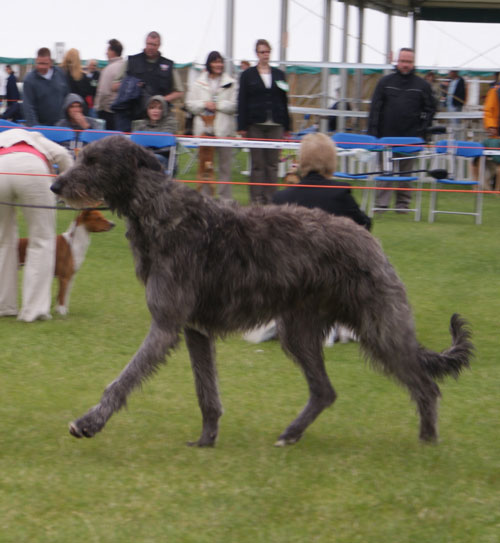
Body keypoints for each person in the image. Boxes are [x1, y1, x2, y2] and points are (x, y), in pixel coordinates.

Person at [0, 128, 73, 322]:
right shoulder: (34, 136)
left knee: (3, 241)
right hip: (31, 168)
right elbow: (63, 155)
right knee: (42, 239)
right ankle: (34, 310)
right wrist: (69, 189)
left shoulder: (3, 138)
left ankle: (4, 305)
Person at [367, 47, 435, 212]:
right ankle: (382, 204)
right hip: (385, 137)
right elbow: (375, 108)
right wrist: (373, 134)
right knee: (385, 172)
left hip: (410, 138)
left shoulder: (422, 85)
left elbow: (430, 109)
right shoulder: (384, 82)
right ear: (397, 61)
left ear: (413, 63)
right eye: (403, 61)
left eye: (409, 62)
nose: (405, 65)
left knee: (406, 174)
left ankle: (403, 205)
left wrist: (422, 131)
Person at [272, 132, 371, 230]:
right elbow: (364, 226)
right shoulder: (340, 194)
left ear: (301, 160)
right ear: (331, 160)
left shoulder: (280, 198)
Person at [237, 39, 291, 204]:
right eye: (262, 52)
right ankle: (256, 200)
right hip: (255, 125)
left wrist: (287, 126)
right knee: (257, 165)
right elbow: (242, 100)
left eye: (267, 52)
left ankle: (271, 200)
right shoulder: (247, 75)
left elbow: (284, 100)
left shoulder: (279, 74)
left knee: (273, 165)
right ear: (257, 54)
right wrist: (242, 126)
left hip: (276, 125)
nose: (265, 55)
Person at [186, 50, 236, 201]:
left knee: (224, 167)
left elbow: (234, 106)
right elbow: (190, 104)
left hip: (224, 130)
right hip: (204, 132)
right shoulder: (198, 83)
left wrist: (217, 105)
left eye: (220, 62)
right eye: (215, 62)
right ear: (209, 64)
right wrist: (204, 104)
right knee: (205, 166)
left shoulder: (231, 82)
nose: (218, 65)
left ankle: (225, 200)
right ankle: (205, 199)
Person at [119, 31, 184, 132]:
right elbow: (114, 85)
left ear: (159, 45)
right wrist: (130, 86)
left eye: (154, 45)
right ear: (145, 43)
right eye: (149, 44)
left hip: (159, 119)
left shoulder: (168, 65)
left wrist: (160, 101)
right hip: (134, 114)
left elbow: (179, 92)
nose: (151, 47)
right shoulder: (131, 61)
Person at [22, 47, 69, 126]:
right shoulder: (29, 80)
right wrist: (35, 128)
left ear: (50, 62)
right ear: (36, 61)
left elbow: (67, 96)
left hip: (61, 125)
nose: (41, 67)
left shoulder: (60, 73)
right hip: (41, 127)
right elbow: (28, 106)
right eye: (39, 63)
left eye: (45, 64)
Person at [133, 94, 175, 168]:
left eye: (159, 108)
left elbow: (165, 145)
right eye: (152, 108)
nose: (156, 111)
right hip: (145, 156)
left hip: (163, 157)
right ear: (147, 110)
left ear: (164, 110)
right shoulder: (142, 124)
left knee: (152, 158)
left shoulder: (170, 123)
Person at [95, 39, 125, 130]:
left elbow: (103, 92)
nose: (106, 53)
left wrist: (98, 108)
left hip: (108, 112)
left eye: (108, 50)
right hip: (124, 112)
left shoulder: (108, 69)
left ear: (112, 51)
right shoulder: (127, 67)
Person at [61, 48, 94, 115]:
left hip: (63, 110)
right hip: (80, 110)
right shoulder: (83, 77)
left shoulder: (60, 74)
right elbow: (91, 90)